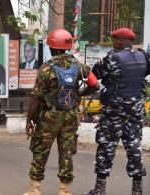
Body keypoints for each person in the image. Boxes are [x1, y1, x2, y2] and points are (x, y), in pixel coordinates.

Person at [23, 28, 100, 195]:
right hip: (70, 117)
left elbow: (35, 98)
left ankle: (35, 190)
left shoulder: (46, 69)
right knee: (66, 153)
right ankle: (64, 191)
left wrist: (30, 120)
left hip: (49, 117)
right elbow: (95, 85)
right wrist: (79, 93)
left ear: (51, 48)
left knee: (40, 151)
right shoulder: (80, 67)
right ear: (67, 48)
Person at [83, 28, 149, 195]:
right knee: (134, 147)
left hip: (115, 111)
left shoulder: (113, 58)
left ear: (119, 41)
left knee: (106, 147)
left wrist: (79, 94)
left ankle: (99, 190)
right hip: (136, 110)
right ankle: (137, 190)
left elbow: (94, 76)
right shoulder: (144, 56)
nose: (113, 43)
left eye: (114, 40)